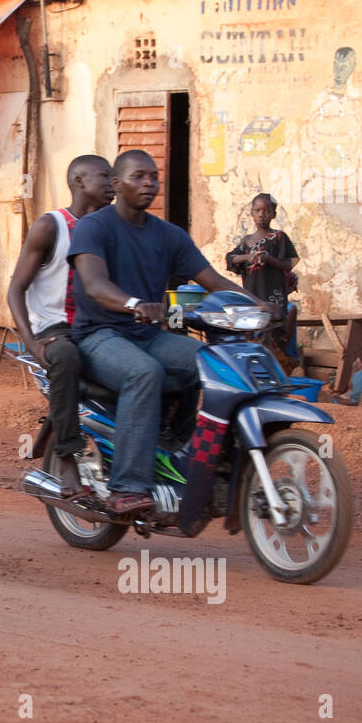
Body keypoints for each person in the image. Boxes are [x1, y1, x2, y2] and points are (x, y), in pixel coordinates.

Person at [69, 149, 264, 516]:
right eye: (139, 176)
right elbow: (94, 285)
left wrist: (258, 305)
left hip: (146, 336)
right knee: (144, 372)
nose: (149, 184)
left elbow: (213, 280)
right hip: (98, 335)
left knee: (211, 361)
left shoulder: (168, 235)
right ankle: (127, 486)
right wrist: (133, 304)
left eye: (153, 177)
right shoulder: (94, 227)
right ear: (116, 184)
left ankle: (180, 449)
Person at [6, 154, 115, 497]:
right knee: (65, 357)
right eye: (105, 176)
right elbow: (15, 289)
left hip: (97, 328)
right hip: (56, 329)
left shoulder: (112, 230)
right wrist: (32, 342)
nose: (114, 183)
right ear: (79, 181)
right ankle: (67, 460)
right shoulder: (51, 226)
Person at [225, 192, 299, 355]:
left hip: (274, 298)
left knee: (273, 338)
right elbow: (230, 259)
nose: (261, 215)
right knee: (251, 339)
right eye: (257, 210)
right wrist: (249, 257)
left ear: (273, 214)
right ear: (251, 213)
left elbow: (290, 263)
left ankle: (277, 371)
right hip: (252, 297)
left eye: (266, 211)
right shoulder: (246, 241)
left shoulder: (279, 237)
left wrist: (269, 259)